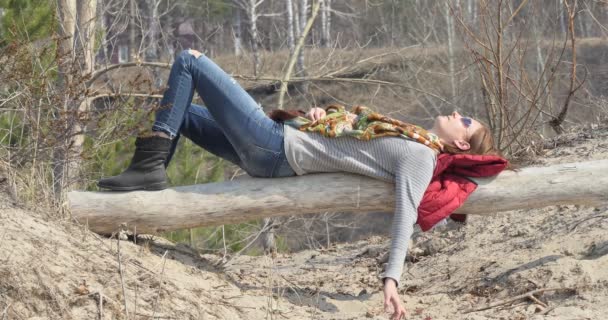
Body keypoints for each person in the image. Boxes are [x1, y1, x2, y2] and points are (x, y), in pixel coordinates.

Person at [98, 49, 503, 320]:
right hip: (280, 146)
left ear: (461, 143)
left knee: (190, 60)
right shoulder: (412, 138)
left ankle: (150, 166)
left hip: (274, 146)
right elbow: (348, 145)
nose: (456, 113)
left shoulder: (421, 156)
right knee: (180, 111)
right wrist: (319, 119)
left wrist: (391, 280)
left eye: (465, 120)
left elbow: (406, 217)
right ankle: (148, 173)